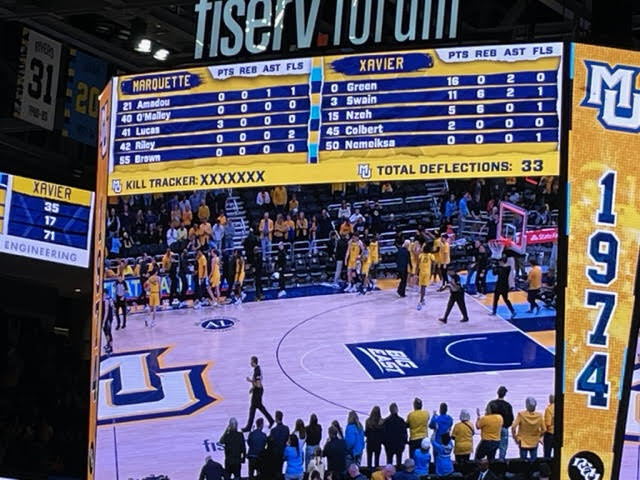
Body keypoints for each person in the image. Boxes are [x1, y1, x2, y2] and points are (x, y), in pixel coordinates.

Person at [242, 356, 274, 432]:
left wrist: (250, 381)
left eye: (251, 361)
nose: (250, 363)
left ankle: (248, 427)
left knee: (254, 408)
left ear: (254, 362)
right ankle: (271, 420)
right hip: (256, 391)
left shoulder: (257, 371)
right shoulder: (256, 370)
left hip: (258, 392)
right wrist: (252, 388)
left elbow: (258, 384)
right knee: (258, 407)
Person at [490, 385, 514, 460]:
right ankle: (501, 463)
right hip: (504, 428)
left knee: (492, 447)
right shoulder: (508, 405)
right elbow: (511, 418)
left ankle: (492, 462)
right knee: (503, 448)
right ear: (505, 394)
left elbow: (487, 416)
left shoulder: (491, 404)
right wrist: (506, 426)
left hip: (493, 429)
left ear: (497, 393)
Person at [269, 410, 290, 476]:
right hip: (282, 453)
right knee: (280, 470)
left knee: (275, 471)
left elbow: (271, 443)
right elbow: (287, 440)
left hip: (275, 453)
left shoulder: (273, 431)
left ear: (276, 418)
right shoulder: (286, 429)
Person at [416, 243, 435, 310]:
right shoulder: (431, 256)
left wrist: (416, 273)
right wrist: (433, 272)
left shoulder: (421, 255)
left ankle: (421, 300)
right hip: (427, 273)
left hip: (422, 272)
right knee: (423, 287)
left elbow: (417, 265)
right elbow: (433, 264)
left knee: (422, 287)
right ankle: (422, 299)